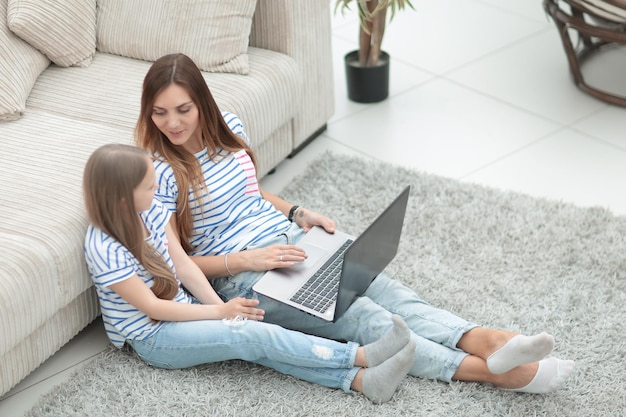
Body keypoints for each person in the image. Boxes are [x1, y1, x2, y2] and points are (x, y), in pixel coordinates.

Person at [135, 53, 576, 394]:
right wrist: (246, 261)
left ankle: (492, 340)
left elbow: (251, 193)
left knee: (390, 292)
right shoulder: (158, 171)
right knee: (366, 317)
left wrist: (296, 213)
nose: (172, 123)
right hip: (247, 278)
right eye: (159, 113)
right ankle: (499, 373)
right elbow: (180, 262)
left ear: (203, 102)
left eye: (183, 109)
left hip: (290, 242)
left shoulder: (228, 127)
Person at [82, 143, 417, 405]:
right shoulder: (103, 248)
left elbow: (182, 264)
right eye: (149, 186)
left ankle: (363, 382)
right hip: (153, 335)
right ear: (124, 199)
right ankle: (361, 356)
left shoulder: (151, 211)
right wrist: (219, 313)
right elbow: (154, 310)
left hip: (182, 307)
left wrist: (227, 312)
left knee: (250, 331)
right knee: (253, 337)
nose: (157, 190)